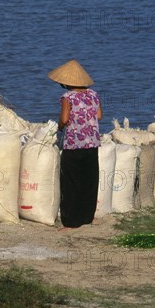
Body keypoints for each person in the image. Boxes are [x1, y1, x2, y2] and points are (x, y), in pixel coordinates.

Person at [48, 59, 102, 229]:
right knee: (89, 181)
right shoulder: (93, 94)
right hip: (92, 143)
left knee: (71, 182)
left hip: (73, 144)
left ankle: (71, 221)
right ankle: (87, 218)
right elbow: (98, 116)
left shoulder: (67, 97)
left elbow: (64, 118)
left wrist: (59, 126)